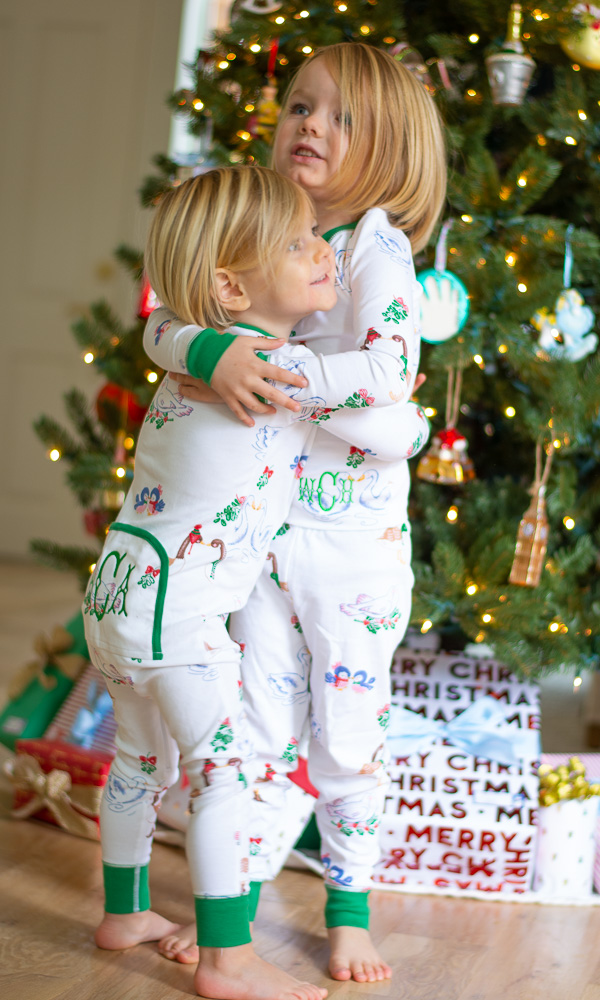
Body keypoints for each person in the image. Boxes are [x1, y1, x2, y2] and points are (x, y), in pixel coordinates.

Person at [146, 42, 446, 987]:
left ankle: (349, 911)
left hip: (354, 551)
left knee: (348, 735)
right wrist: (211, 355)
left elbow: (395, 380)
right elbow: (163, 319)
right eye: (300, 108)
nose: (309, 125)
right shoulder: (247, 225)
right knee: (255, 726)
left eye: (341, 117)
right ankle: (230, 911)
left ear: (389, 149)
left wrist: (283, 377)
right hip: (263, 538)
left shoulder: (375, 249)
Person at [83, 163, 419, 1000]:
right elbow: (394, 409)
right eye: (300, 244)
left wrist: (199, 340)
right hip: (181, 620)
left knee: (134, 759)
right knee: (223, 775)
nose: (322, 254)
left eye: (317, 236)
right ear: (232, 284)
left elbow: (162, 328)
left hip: (120, 593)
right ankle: (228, 962)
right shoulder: (277, 372)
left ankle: (125, 910)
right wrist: (410, 419)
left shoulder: (204, 349)